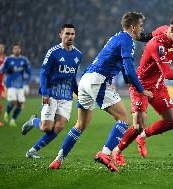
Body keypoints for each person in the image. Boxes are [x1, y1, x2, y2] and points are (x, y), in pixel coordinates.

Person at [49, 12, 153, 172]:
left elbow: (125, 71)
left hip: (85, 80)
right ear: (133, 26)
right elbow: (130, 69)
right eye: (140, 25)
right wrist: (141, 89)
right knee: (124, 119)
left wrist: (128, 81)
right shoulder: (128, 40)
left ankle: (58, 160)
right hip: (98, 80)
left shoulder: (117, 37)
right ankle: (105, 153)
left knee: (80, 125)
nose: (142, 29)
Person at [112, 15, 173, 166]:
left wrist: (139, 36)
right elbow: (168, 73)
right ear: (172, 29)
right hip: (142, 85)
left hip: (158, 85)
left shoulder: (166, 31)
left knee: (172, 121)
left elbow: (146, 35)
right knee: (138, 125)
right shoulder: (157, 45)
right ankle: (116, 151)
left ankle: (143, 137)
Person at [21, 24, 82, 159]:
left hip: (66, 96)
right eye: (67, 34)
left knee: (59, 127)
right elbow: (43, 73)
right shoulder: (53, 52)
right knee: (46, 128)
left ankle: (32, 151)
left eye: (72, 34)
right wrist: (45, 92)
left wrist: (79, 94)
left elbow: (72, 77)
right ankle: (33, 121)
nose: (70, 36)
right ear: (60, 34)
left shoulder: (78, 54)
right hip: (52, 93)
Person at [1, 43, 31, 127]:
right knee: (13, 101)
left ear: (20, 50)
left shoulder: (24, 60)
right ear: (13, 50)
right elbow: (2, 69)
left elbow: (29, 71)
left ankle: (13, 120)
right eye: (15, 48)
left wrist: (26, 83)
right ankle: (7, 113)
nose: (17, 50)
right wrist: (7, 70)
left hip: (20, 85)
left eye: (18, 48)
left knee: (20, 104)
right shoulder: (8, 59)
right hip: (11, 84)